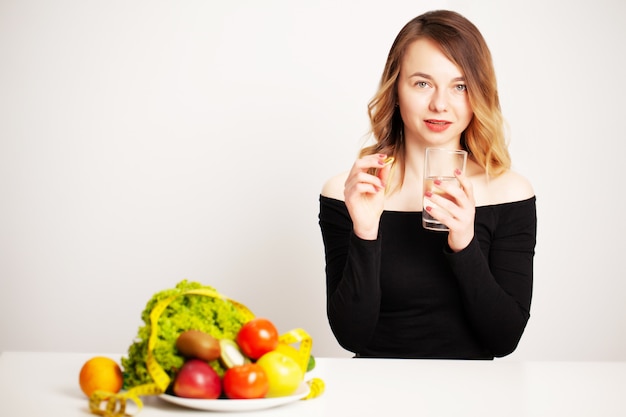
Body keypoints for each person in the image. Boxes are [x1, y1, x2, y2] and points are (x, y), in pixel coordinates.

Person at [318, 10, 536, 359]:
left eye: (460, 86)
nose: (439, 104)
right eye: (422, 83)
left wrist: (464, 242)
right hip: (373, 398)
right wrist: (365, 231)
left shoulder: (509, 192)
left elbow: (503, 339)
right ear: (396, 89)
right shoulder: (348, 191)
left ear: (478, 94)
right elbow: (351, 337)